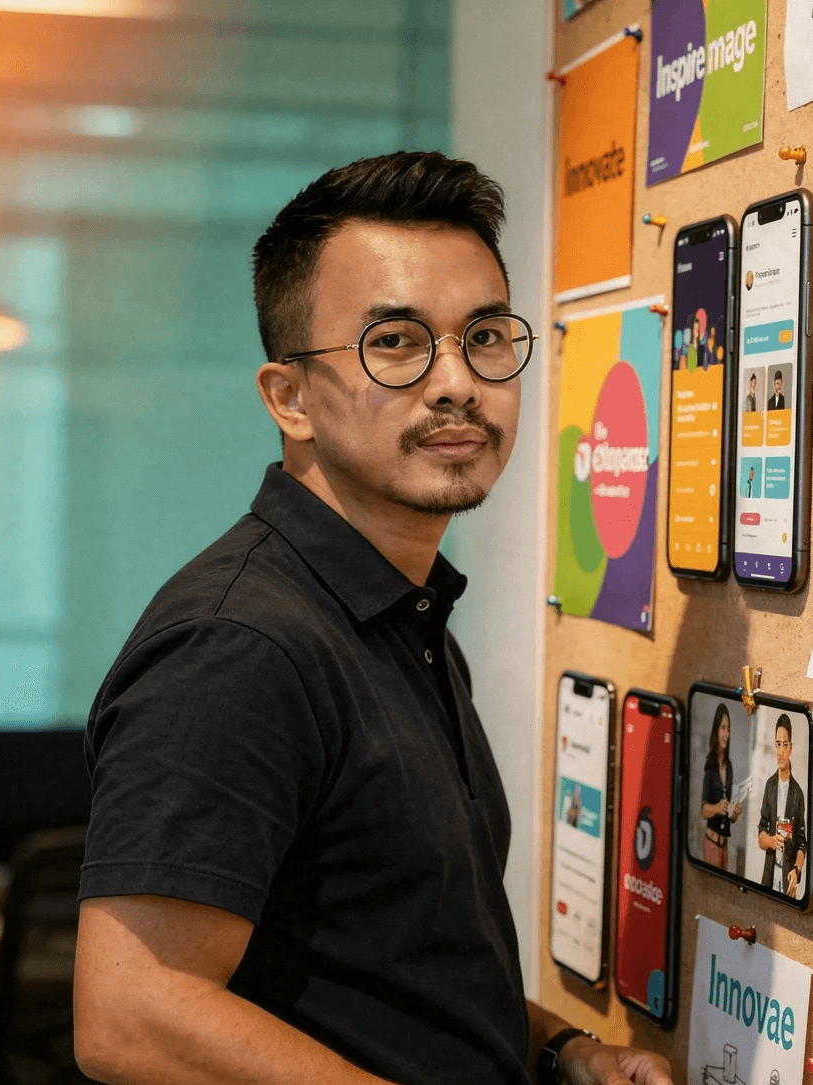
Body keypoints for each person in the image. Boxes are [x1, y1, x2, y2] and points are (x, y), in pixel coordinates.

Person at [73, 152, 673, 1085]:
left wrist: (562, 1049)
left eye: (484, 335)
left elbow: (392, 971)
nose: (457, 381)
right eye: (395, 341)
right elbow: (132, 1014)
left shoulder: (397, 614)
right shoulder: (239, 646)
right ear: (290, 399)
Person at [758, 714, 807, 898]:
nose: (780, 751)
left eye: (785, 745)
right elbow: (761, 834)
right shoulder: (770, 786)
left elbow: (802, 841)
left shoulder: (798, 794)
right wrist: (770, 841)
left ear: (791, 748)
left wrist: (797, 870)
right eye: (778, 744)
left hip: (788, 881)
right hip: (769, 877)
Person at [700, 703, 742, 869]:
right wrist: (717, 808)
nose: (726, 734)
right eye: (723, 728)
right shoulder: (710, 765)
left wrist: (734, 813)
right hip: (711, 843)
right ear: (716, 730)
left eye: (728, 729)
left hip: (725, 845)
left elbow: (729, 816)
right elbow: (703, 811)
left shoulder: (729, 766)